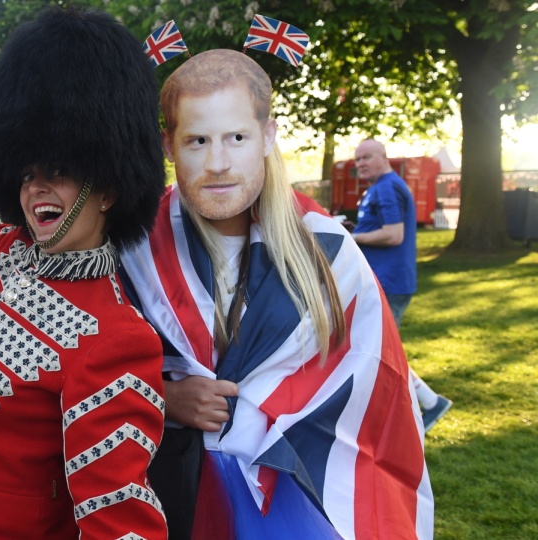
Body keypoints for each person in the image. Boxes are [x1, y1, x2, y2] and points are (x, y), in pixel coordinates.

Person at [119, 49, 433, 539]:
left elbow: (374, 378)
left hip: (292, 499)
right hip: (169, 486)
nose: (218, 163)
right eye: (197, 140)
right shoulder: (135, 242)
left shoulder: (325, 247)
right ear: (169, 145)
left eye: (237, 138)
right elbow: (82, 363)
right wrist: (164, 397)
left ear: (267, 135)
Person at [0, 8, 167, 538]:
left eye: (59, 172)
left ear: (109, 189)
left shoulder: (116, 336)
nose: (35, 188)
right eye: (27, 173)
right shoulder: (9, 250)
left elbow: (116, 506)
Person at [351, 139, 453, 430]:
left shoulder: (387, 187)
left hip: (391, 283)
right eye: (357, 159)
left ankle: (418, 408)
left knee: (381, 351)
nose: (360, 164)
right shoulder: (379, 187)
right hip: (382, 282)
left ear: (384, 157)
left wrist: (352, 238)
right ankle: (429, 403)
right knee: (377, 348)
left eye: (367, 157)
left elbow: (394, 234)